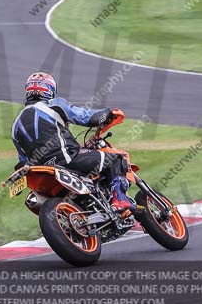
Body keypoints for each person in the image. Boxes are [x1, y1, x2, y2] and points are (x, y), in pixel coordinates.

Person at [11, 71, 136, 213]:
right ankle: (120, 200)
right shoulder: (54, 105)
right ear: (50, 90)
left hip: (41, 172)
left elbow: (23, 159)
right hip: (68, 159)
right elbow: (86, 117)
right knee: (116, 159)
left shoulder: (15, 125)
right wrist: (107, 114)